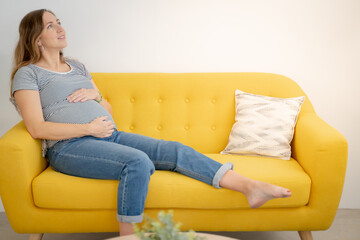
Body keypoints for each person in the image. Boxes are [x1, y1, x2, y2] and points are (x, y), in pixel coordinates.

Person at [10, 9, 292, 236]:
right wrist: (88, 129)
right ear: (36, 38)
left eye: (60, 22)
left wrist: (96, 96)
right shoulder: (29, 75)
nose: (61, 28)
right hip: (69, 147)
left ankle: (249, 187)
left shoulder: (78, 66)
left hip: (110, 136)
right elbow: (36, 127)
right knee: (137, 162)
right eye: (51, 25)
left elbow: (107, 108)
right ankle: (128, 236)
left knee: (174, 149)